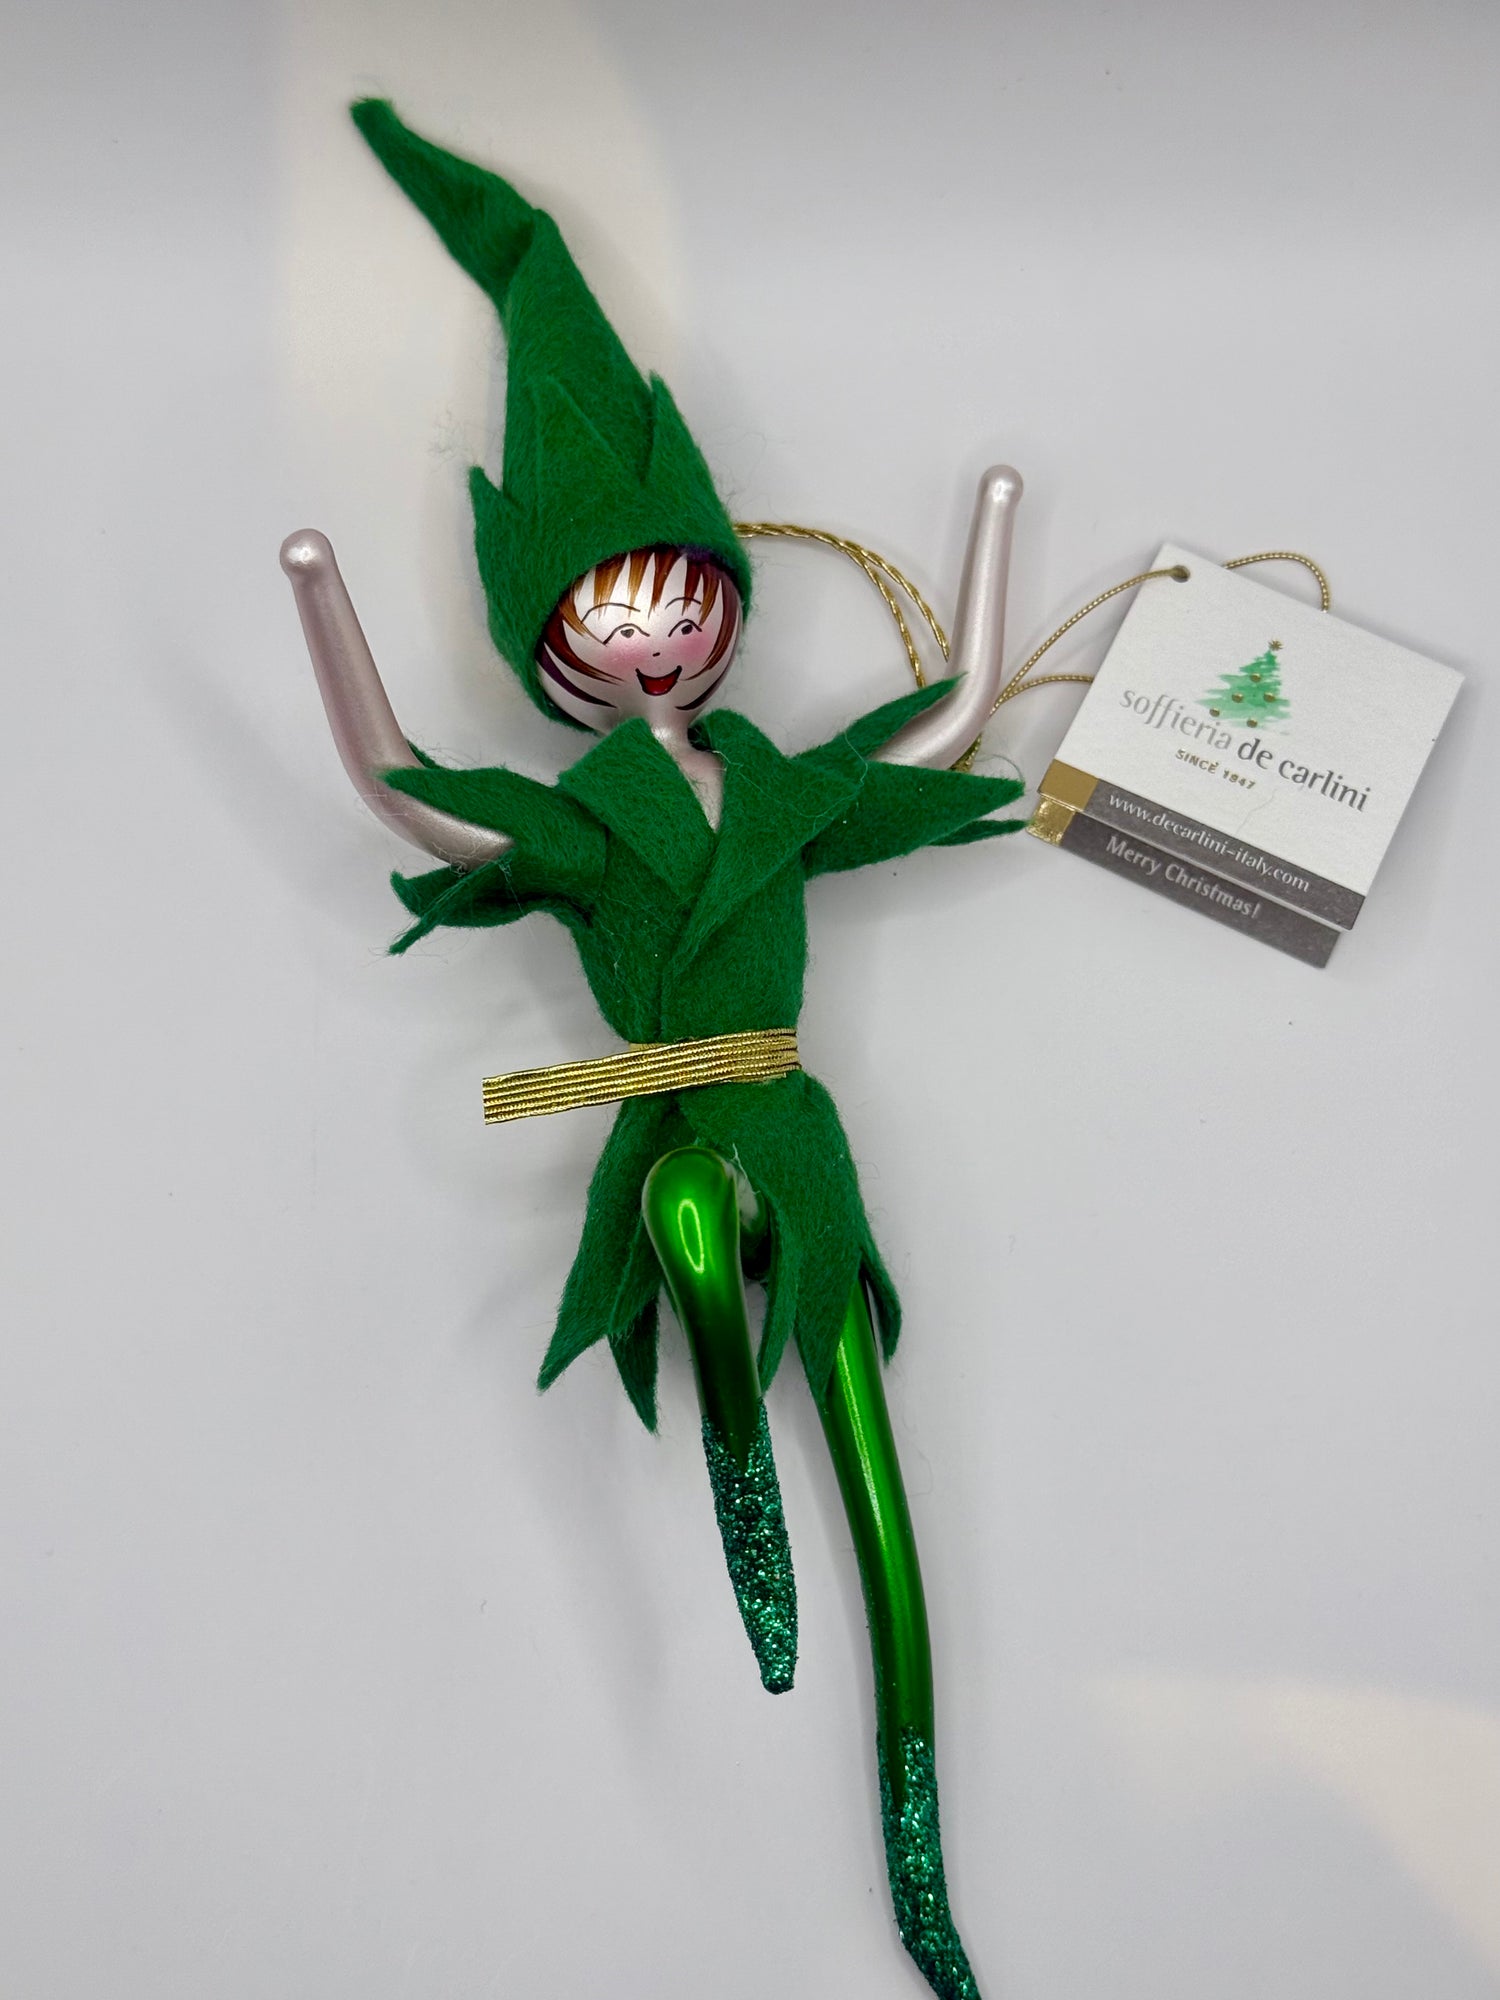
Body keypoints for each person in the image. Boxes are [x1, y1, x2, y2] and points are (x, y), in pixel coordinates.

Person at [281, 98, 1028, 2000]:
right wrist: (321, 608)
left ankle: (920, 1850)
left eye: (681, 608)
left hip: (792, 1125)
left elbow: (936, 738)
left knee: (875, 1449)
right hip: (678, 1132)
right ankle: (729, 1455)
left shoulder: (783, 791)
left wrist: (992, 554)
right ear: (546, 649)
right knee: (686, 1199)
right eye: (601, 625)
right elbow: (409, 794)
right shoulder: (581, 826)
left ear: (725, 610)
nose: (649, 650)